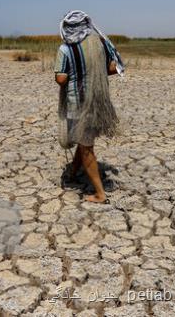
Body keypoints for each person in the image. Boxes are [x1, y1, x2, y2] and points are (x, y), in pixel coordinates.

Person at [54, 10, 125, 203]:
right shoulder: (99, 44)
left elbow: (61, 78)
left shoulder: (65, 50)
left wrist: (71, 75)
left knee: (86, 148)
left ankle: (100, 194)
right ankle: (73, 173)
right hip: (97, 103)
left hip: (78, 105)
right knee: (84, 140)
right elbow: (112, 68)